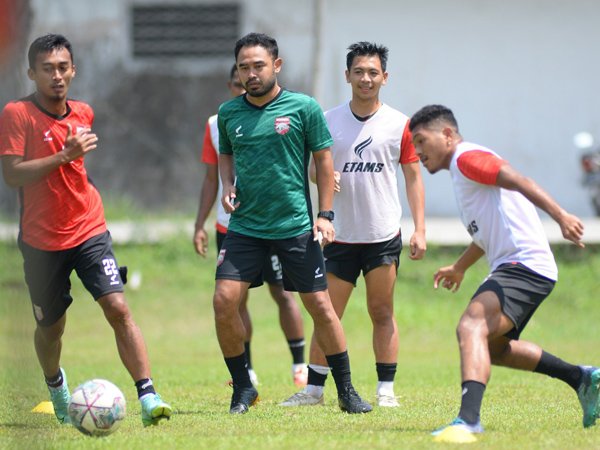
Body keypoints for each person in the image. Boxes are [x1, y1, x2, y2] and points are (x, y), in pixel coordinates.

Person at [0, 34, 172, 427]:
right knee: (50, 328)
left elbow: (76, 171)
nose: (56, 76)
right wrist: (64, 156)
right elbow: (11, 175)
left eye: (63, 68)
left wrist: (73, 169)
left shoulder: (83, 112)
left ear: (73, 70)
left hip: (89, 229)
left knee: (117, 307)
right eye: (47, 69)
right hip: (42, 242)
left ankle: (149, 396)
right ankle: (55, 383)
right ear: (31, 73)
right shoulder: (17, 114)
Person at [408, 104, 599, 438]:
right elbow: (485, 234)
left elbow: (516, 178)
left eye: (422, 140)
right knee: (493, 348)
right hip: (520, 265)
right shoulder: (461, 171)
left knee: (471, 326)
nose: (418, 151)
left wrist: (561, 216)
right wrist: (459, 266)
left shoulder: (466, 158)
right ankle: (581, 378)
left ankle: (467, 421)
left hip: (523, 263)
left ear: (448, 135)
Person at [213, 32, 372, 415]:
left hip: (295, 227)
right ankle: (243, 388)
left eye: (258, 66)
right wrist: (227, 186)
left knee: (319, 305)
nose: (251, 74)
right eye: (244, 68)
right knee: (224, 301)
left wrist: (326, 214)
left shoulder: (303, 108)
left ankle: (346, 390)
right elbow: (225, 157)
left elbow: (323, 161)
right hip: (246, 228)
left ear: (276, 66)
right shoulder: (229, 113)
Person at [280, 42, 426, 409]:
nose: (366, 78)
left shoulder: (399, 123)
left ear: (385, 78)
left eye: (373, 72)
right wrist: (322, 178)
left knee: (382, 311)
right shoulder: (327, 120)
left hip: (381, 236)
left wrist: (419, 229)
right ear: (347, 76)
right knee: (327, 313)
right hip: (338, 235)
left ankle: (386, 391)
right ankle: (313, 390)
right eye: (359, 72)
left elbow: (413, 177)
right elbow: (312, 167)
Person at [193, 63, 308, 388]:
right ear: (232, 85)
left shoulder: (283, 114)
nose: (243, 88)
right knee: (233, 300)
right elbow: (211, 177)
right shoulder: (218, 123)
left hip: (274, 226)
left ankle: (299, 365)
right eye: (237, 83)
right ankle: (248, 371)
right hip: (231, 226)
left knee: (285, 295)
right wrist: (200, 223)